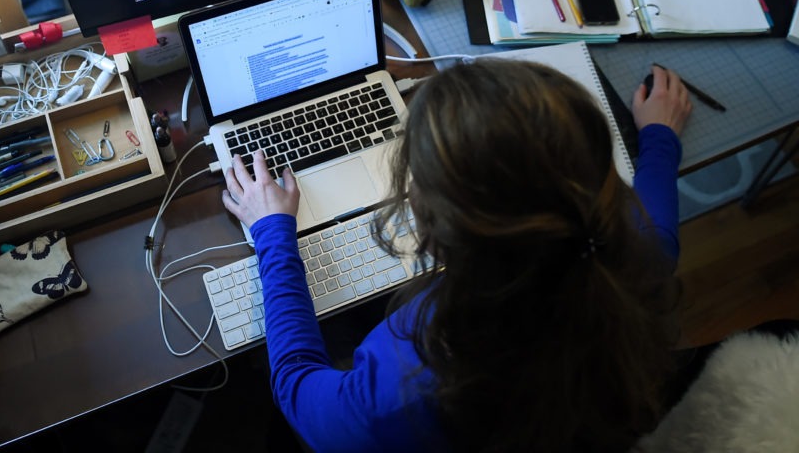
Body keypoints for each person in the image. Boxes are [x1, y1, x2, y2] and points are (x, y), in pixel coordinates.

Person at [221, 61, 691, 452]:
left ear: (436, 228)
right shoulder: (629, 258)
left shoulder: (401, 392)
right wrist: (659, 137)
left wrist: (272, 232)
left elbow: (296, 386)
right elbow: (659, 231)